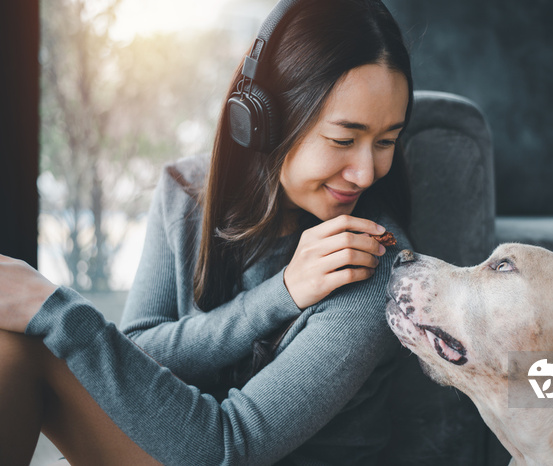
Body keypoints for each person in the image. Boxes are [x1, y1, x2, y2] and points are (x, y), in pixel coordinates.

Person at [0, 0, 414, 464]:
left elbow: (227, 447)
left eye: (386, 141)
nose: (365, 172)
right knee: (9, 344)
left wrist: (57, 310)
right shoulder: (184, 192)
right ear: (264, 119)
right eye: (343, 139)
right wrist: (280, 296)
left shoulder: (372, 263)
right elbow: (137, 351)